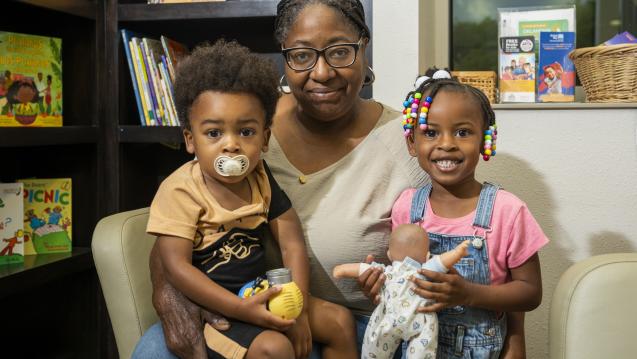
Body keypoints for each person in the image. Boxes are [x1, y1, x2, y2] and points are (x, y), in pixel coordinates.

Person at [133, 1, 430, 358]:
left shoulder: (410, 143)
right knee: (153, 350)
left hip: (364, 322)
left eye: (339, 51)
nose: (321, 72)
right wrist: (168, 294)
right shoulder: (241, 114)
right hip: (241, 301)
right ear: (284, 57)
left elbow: (464, 233)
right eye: (302, 55)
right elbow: (177, 235)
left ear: (362, 47)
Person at [143, 39, 357, 359]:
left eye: (245, 132)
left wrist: (295, 303)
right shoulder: (179, 191)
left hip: (261, 291)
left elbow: (291, 243)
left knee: (339, 321)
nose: (231, 146)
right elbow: (176, 267)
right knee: (275, 348)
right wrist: (242, 310)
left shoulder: (259, 177)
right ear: (190, 140)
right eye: (214, 133)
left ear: (265, 137)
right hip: (218, 308)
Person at [389, 71, 548, 358]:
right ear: (412, 143)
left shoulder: (508, 210)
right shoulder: (406, 208)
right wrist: (378, 283)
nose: (447, 143)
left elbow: (530, 292)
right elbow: (400, 284)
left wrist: (468, 294)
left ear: (486, 140)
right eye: (431, 132)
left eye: (462, 132)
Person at [333, 224, 470, 359]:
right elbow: (442, 261)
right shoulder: (425, 271)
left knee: (374, 349)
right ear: (427, 256)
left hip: (388, 320)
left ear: (389, 255)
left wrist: (341, 270)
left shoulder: (385, 272)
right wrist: (458, 252)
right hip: (420, 321)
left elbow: (362, 268)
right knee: (422, 351)